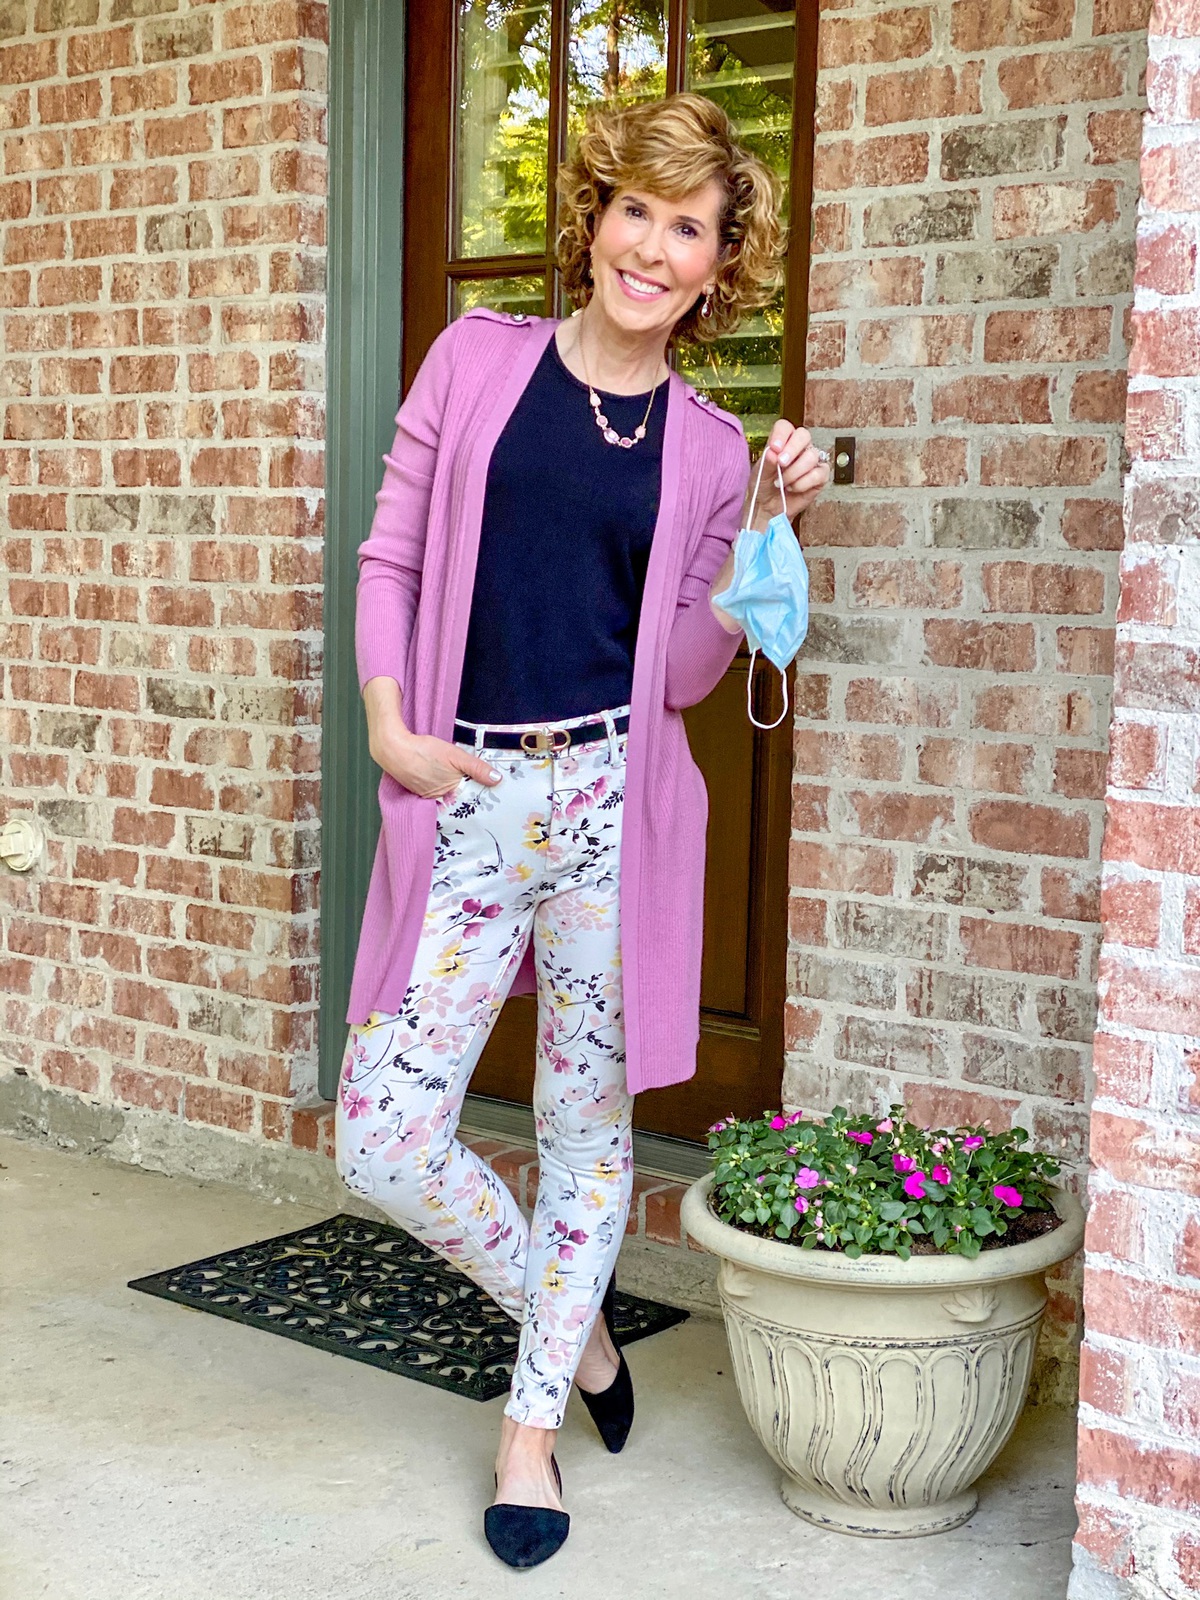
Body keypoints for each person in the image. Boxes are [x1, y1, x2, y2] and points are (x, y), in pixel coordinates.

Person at [333, 91, 830, 1569]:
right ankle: (586, 1331)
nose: (655, 249)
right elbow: (391, 553)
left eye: (692, 230)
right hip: (469, 791)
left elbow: (684, 674)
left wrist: (754, 524)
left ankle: (532, 1424)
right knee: (382, 1132)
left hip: (612, 805)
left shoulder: (703, 441)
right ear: (596, 218)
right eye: (638, 211)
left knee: (583, 1128)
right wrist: (386, 728)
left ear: (713, 269)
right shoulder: (476, 363)